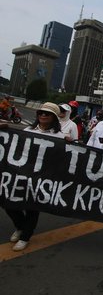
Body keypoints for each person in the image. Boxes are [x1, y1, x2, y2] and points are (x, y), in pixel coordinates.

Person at [3, 102, 65, 251]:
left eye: (47, 114)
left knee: (32, 207)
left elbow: (61, 160)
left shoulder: (59, 136)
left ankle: (25, 237)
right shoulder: (27, 130)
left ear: (54, 118)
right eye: (41, 113)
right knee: (8, 202)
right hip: (20, 174)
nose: (43, 115)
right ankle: (20, 227)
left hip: (41, 178)